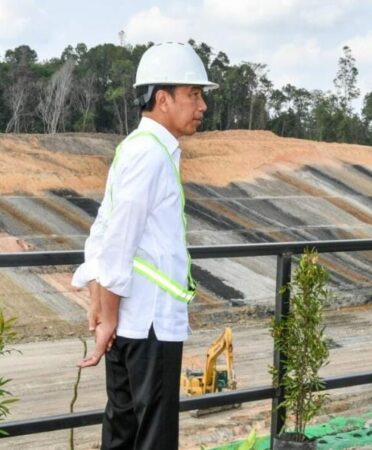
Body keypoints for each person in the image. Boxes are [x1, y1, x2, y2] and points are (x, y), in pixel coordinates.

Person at [72, 41, 217, 450]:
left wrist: (103, 310)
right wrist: (107, 318)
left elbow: (103, 230)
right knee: (153, 437)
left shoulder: (139, 149)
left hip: (132, 321)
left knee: (123, 431)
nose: (202, 105)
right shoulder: (151, 155)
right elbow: (118, 240)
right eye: (194, 94)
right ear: (162, 98)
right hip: (149, 322)